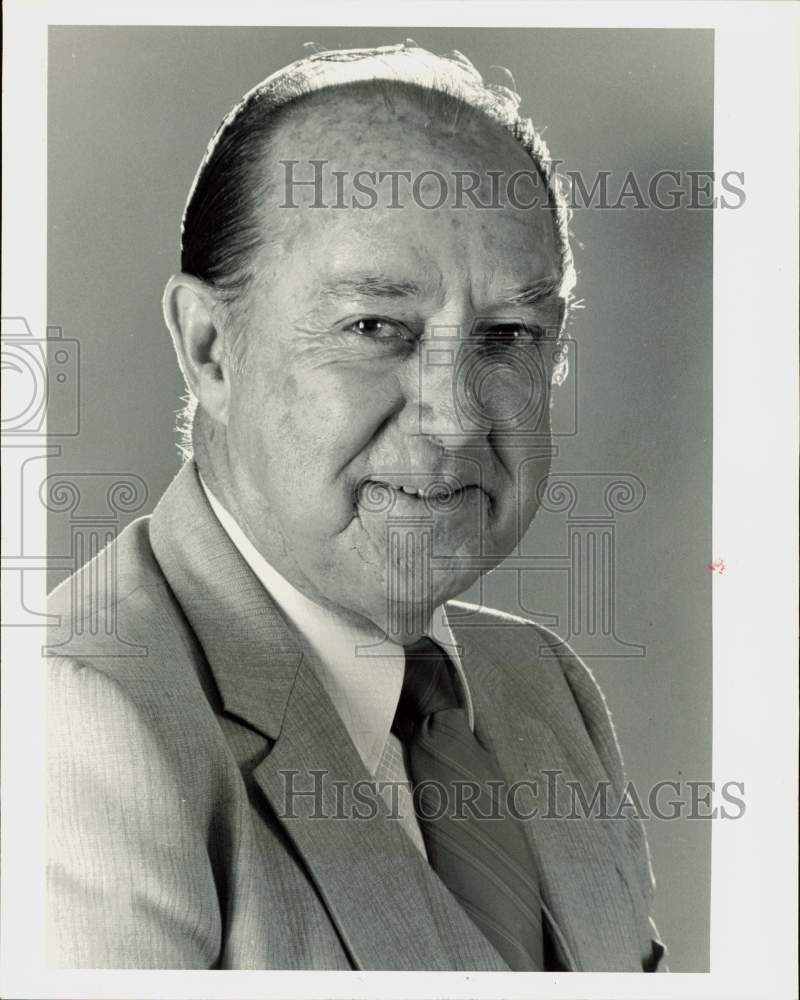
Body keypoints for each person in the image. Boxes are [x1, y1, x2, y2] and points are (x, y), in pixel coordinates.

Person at [46, 41, 665, 971]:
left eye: (507, 335)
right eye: (375, 328)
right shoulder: (75, 723)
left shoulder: (543, 685)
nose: (456, 419)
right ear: (211, 348)